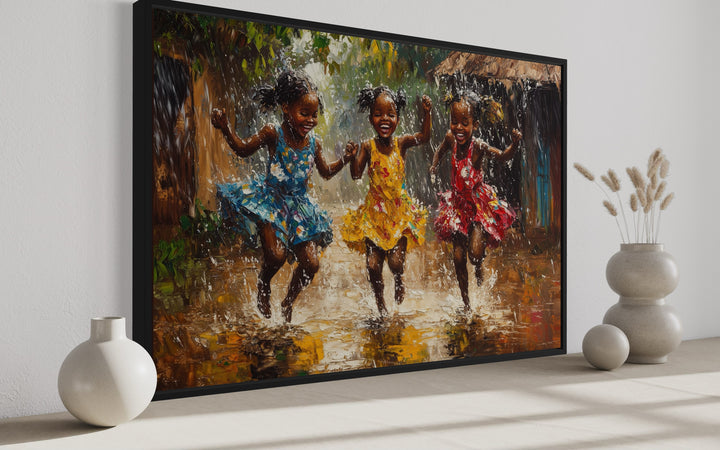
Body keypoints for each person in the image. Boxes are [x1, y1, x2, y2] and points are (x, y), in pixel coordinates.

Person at [211, 69, 356, 323]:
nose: (310, 120)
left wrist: (345, 159)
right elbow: (243, 149)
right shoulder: (272, 133)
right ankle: (264, 285)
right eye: (304, 113)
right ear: (286, 108)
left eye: (314, 115)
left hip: (299, 208)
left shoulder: (314, 144)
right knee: (275, 255)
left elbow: (326, 172)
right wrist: (225, 128)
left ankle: (288, 301)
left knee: (311, 264)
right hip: (271, 201)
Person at [341, 86, 432, 316]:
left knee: (395, 263)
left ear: (398, 119)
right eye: (378, 114)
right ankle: (380, 303)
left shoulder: (401, 143)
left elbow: (424, 137)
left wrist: (427, 114)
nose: (385, 119)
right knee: (373, 265)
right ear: (371, 117)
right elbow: (355, 174)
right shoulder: (367, 147)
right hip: (374, 216)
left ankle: (399, 279)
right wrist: (352, 158)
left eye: (390, 115)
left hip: (398, 215)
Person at [429, 89, 521, 311]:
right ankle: (466, 304)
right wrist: (434, 165)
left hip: (478, 206)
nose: (458, 127)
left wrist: (515, 145)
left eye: (465, 122)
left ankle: (479, 265)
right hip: (458, 207)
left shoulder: (478, 147)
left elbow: (501, 156)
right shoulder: (450, 139)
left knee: (474, 255)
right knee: (459, 258)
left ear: (475, 125)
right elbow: (439, 151)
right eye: (454, 122)